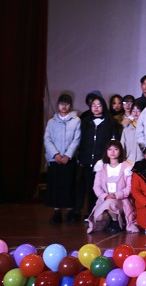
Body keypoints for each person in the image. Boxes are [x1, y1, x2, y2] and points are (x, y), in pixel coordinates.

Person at [75, 95, 121, 221]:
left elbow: (114, 142)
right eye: (93, 105)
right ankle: (90, 213)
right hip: (87, 161)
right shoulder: (85, 122)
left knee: (103, 189)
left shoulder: (110, 122)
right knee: (90, 189)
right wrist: (81, 157)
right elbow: (80, 141)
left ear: (104, 106)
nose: (96, 108)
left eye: (99, 105)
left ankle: (103, 214)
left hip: (103, 162)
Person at [44, 94, 81, 224]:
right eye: (61, 103)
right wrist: (55, 154)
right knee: (56, 186)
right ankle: (57, 212)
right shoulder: (51, 122)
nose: (64, 106)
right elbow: (47, 139)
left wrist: (68, 155)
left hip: (69, 160)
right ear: (58, 105)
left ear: (70, 105)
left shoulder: (76, 120)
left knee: (69, 186)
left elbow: (77, 139)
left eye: (67, 103)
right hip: (55, 160)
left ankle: (70, 211)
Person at [87, 140, 137, 233]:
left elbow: (129, 187)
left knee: (111, 203)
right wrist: (105, 196)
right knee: (99, 217)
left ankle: (116, 221)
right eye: (110, 149)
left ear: (120, 151)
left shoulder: (126, 167)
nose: (112, 152)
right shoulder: (101, 167)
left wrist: (116, 195)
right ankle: (112, 219)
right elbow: (96, 187)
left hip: (121, 200)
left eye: (115, 149)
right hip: (105, 199)